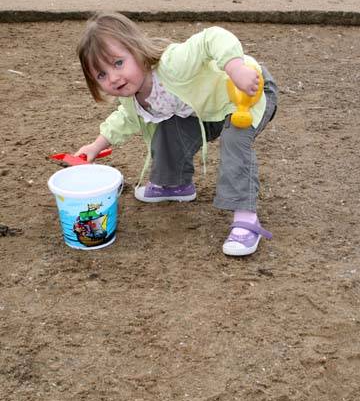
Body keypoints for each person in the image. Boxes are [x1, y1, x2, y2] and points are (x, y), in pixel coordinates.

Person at [74, 13, 277, 257]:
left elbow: (212, 37)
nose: (113, 78)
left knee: (235, 139)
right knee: (169, 126)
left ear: (137, 50)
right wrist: (96, 146)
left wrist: (236, 68)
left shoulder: (173, 63)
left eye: (118, 63)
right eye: (101, 75)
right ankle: (175, 183)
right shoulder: (132, 98)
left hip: (247, 91)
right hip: (209, 112)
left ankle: (246, 218)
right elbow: (124, 120)